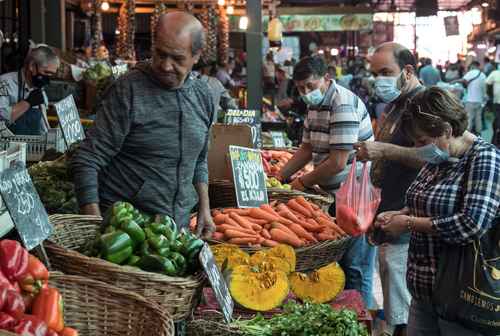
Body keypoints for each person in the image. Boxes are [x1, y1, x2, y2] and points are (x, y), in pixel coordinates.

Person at [71, 12, 216, 237]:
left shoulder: (203, 96)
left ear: (196, 56)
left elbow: (198, 160)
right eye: (160, 54)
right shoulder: (128, 91)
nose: (166, 66)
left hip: (176, 232)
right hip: (127, 232)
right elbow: (87, 159)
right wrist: (94, 226)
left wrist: (205, 210)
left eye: (177, 58)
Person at [375, 86, 499, 335]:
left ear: (447, 130)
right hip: (423, 293)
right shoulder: (439, 158)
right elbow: (424, 201)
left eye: (422, 141)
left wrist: (408, 223)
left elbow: (470, 224)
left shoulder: (486, 159)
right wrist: (400, 213)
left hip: (461, 295)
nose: (419, 148)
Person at [277, 56, 376, 307]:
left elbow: (337, 162)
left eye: (310, 86)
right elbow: (306, 149)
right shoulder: (315, 105)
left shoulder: (341, 103)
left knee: (356, 266)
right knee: (339, 262)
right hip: (334, 195)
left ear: (327, 79)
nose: (306, 93)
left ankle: (360, 318)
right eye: (301, 89)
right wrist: (280, 177)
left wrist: (301, 183)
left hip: (354, 196)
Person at [355, 42, 424, 336]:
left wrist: (383, 150)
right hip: (388, 213)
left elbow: (435, 156)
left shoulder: (425, 106)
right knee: (395, 301)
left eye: (386, 72)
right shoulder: (395, 105)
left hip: (408, 219)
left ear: (407, 71)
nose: (379, 79)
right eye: (375, 73)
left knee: (404, 309)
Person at [0, 45, 58, 135]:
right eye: (46, 72)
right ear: (32, 66)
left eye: (52, 74)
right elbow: (1, 120)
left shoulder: (39, 88)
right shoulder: (5, 83)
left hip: (34, 146)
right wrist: (27, 103)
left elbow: (43, 125)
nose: (47, 78)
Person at [453, 61, 486, 134]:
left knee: (469, 118)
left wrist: (453, 81)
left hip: (470, 100)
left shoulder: (471, 73)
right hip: (479, 101)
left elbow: (463, 80)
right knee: (478, 118)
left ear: (472, 66)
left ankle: (468, 134)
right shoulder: (483, 75)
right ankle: (479, 133)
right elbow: (484, 88)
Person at [486, 63, 500, 146]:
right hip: (496, 102)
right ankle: (495, 141)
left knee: (497, 121)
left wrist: (490, 94)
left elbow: (488, 83)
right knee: (497, 121)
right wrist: (490, 94)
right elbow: (488, 83)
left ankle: (495, 141)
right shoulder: (495, 73)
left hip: (496, 102)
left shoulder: (495, 73)